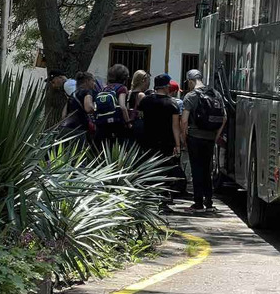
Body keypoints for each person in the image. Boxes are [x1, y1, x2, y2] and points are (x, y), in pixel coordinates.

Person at [181, 69, 226, 213]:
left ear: (190, 81)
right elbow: (224, 117)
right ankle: (209, 202)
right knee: (207, 169)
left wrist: (184, 137)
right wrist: (216, 135)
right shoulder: (216, 94)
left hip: (194, 137)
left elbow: (184, 120)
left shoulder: (191, 96)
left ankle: (198, 203)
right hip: (210, 138)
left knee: (197, 170)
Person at [139, 74, 184, 203]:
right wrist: (178, 145)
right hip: (166, 142)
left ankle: (150, 195)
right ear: (166, 86)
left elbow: (141, 118)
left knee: (149, 168)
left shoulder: (145, 101)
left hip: (148, 140)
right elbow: (175, 126)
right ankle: (163, 197)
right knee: (165, 169)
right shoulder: (172, 104)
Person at [93, 64, 131, 147]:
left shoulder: (105, 88)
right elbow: (122, 106)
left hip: (102, 124)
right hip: (116, 125)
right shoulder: (122, 88)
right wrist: (128, 122)